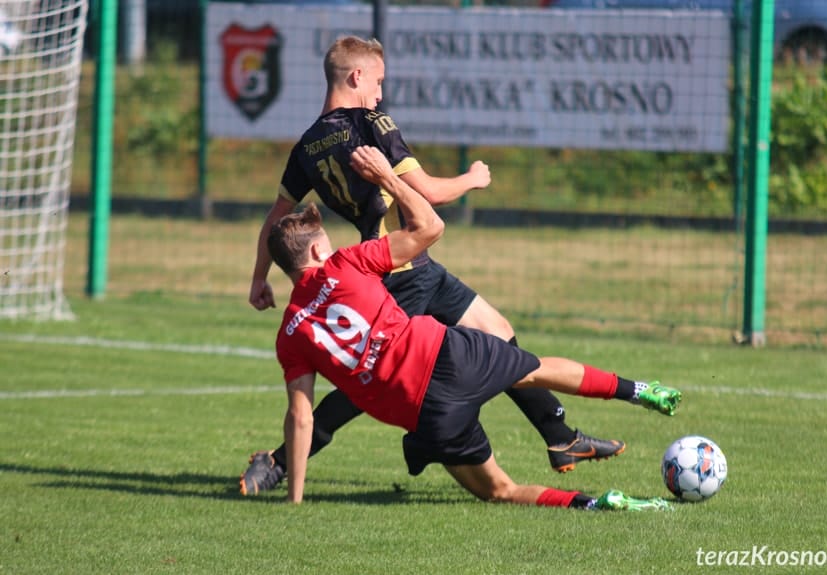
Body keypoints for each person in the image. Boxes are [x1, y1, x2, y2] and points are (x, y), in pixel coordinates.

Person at [240, 35, 626, 496]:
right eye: (378, 81)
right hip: (398, 269)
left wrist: (260, 277)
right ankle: (279, 463)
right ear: (356, 77)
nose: (381, 93)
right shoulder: (369, 121)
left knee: (497, 330)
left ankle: (560, 436)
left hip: (412, 265)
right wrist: (473, 178)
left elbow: (275, 217)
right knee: (364, 386)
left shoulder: (306, 147)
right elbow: (428, 193)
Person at [268, 145, 681, 511]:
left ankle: (600, 503)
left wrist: (296, 500)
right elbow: (430, 227)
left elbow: (301, 418)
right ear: (321, 249)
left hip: (429, 413)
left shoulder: (290, 335)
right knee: (532, 369)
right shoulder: (347, 263)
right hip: (450, 354)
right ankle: (640, 390)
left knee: (500, 491)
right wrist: (386, 178)